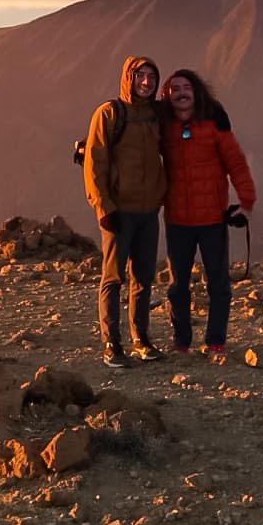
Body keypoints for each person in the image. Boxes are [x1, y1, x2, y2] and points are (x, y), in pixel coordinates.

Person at [161, 69, 256, 361]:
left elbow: (236, 163)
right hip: (177, 220)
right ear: (167, 96)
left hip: (213, 219)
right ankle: (181, 341)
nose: (181, 93)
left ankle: (216, 342)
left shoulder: (214, 124)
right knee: (178, 286)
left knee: (218, 284)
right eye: (175, 88)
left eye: (186, 87)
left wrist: (246, 202)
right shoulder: (162, 128)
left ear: (196, 91)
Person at [83, 56, 168, 368]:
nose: (146, 82)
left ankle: (141, 339)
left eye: (151, 77)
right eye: (140, 76)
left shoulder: (156, 115)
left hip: (148, 211)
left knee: (143, 278)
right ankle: (111, 344)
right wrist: (103, 206)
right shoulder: (109, 114)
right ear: (128, 78)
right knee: (113, 277)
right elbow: (94, 163)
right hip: (119, 211)